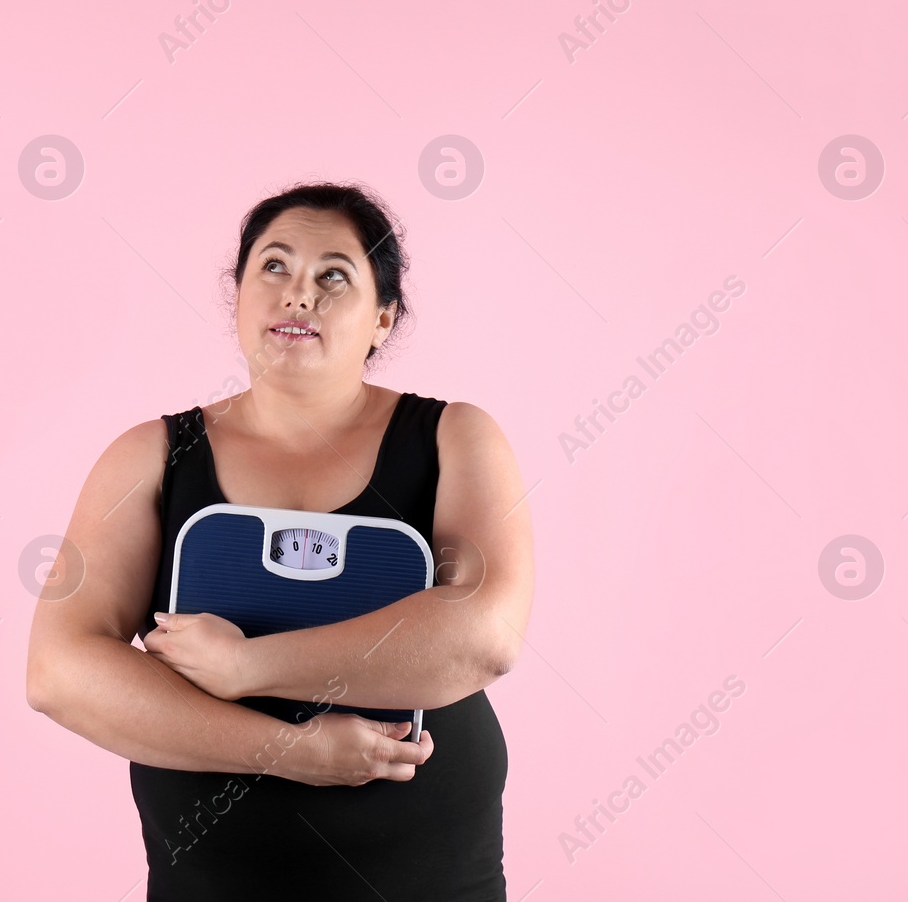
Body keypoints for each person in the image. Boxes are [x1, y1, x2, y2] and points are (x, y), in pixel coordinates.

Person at [27, 182, 534, 900]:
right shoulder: (150, 457)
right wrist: (294, 752)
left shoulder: (457, 437)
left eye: (335, 275)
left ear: (383, 316)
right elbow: (59, 670)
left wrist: (245, 665)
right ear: (237, 297)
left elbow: (484, 634)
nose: (300, 293)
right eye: (274, 266)